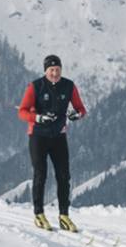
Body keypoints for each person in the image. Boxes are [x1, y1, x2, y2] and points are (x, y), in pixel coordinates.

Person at [16, 54, 87, 230]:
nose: (55, 73)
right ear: (45, 71)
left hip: (59, 136)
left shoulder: (69, 86)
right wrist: (38, 118)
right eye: (51, 70)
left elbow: (81, 108)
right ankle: (39, 214)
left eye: (57, 70)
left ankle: (64, 216)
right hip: (38, 136)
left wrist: (76, 115)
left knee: (64, 176)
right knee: (41, 174)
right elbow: (22, 112)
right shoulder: (35, 86)